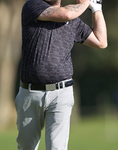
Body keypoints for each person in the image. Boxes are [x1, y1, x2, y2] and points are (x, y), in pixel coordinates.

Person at [15, 0, 107, 150]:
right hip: (30, 94)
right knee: (26, 147)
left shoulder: (74, 22)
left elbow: (101, 41)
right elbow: (66, 13)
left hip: (61, 94)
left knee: (57, 148)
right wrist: (86, 2)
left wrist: (96, 8)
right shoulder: (32, 7)